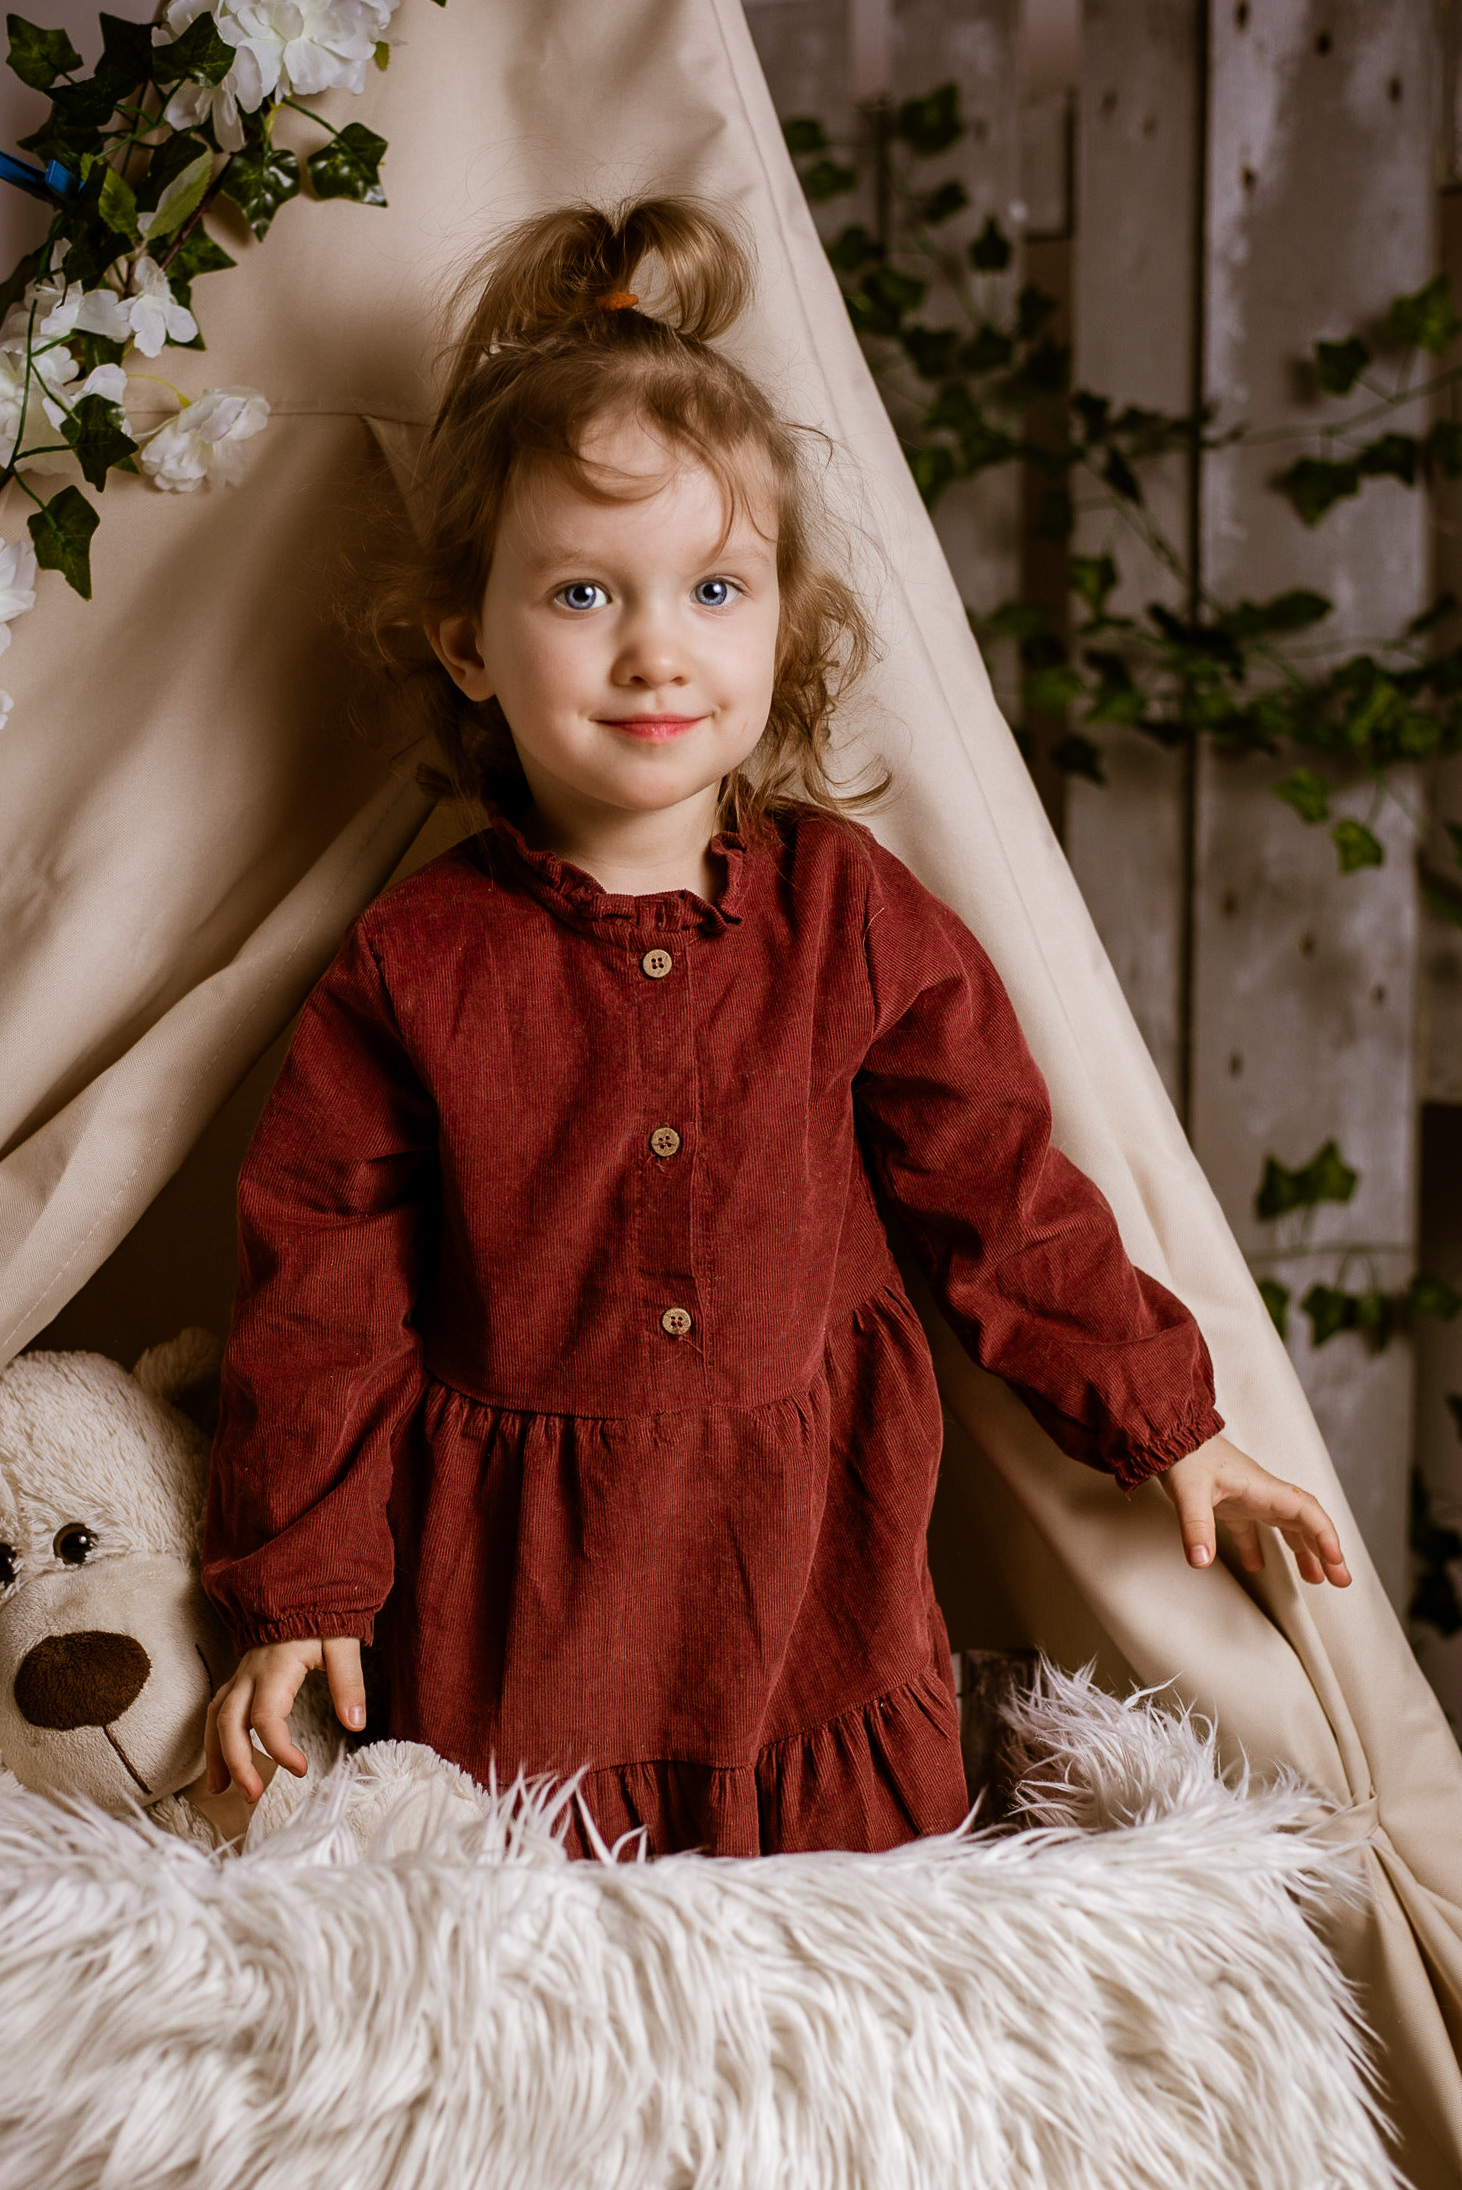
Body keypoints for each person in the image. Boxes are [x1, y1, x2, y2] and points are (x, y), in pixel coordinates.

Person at [201, 198, 1350, 1857]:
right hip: (527, 1604)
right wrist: (299, 1586)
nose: (655, 648)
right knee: (549, 1949)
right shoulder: (415, 961)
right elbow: (318, 1293)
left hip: (809, 1567)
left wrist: (1169, 1420)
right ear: (468, 642)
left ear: (781, 626)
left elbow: (999, 1193)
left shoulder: (851, 914)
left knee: (836, 1954)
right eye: (582, 591)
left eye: (713, 586)